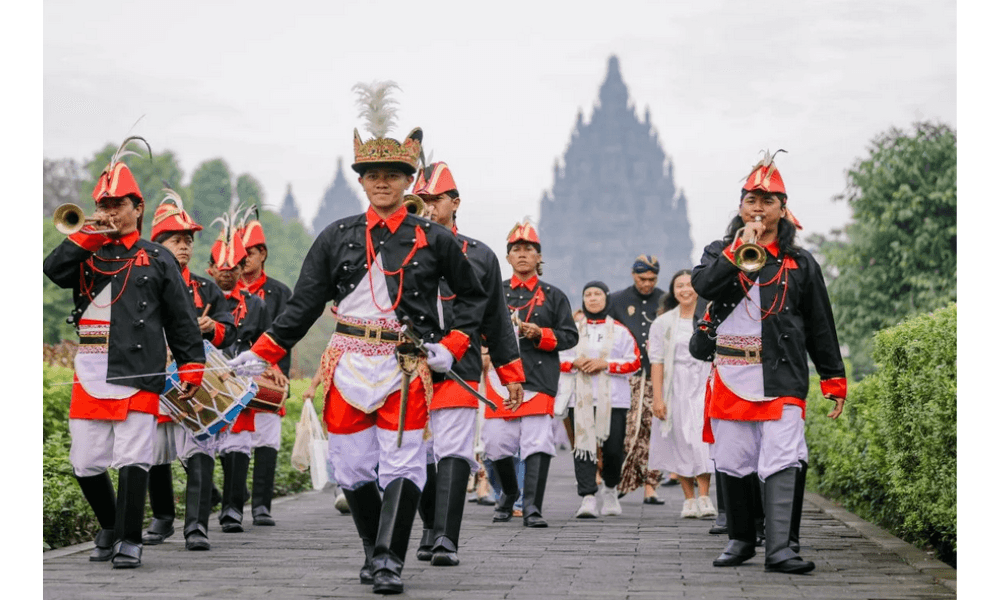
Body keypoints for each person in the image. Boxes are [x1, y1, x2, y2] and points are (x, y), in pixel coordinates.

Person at [228, 80, 490, 595]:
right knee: (351, 468)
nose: (382, 183)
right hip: (347, 361)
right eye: (373, 175)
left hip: (406, 362)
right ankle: (374, 550)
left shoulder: (434, 238)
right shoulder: (337, 236)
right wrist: (260, 354)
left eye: (392, 175)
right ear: (362, 181)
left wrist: (452, 346)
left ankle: (389, 559)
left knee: (405, 459)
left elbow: (475, 298)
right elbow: (302, 307)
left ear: (408, 180)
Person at [43, 137, 205, 568]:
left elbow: (182, 319)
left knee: (135, 455)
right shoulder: (85, 254)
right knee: (86, 461)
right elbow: (52, 270)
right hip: (90, 366)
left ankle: (129, 539)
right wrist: (88, 234)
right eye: (105, 204)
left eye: (118, 204)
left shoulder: (157, 257)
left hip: (138, 366)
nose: (111, 211)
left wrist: (191, 365)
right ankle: (112, 524)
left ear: (138, 207)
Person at [691, 150, 847, 574]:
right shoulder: (718, 250)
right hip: (730, 374)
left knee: (783, 456)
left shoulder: (800, 261)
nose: (758, 208)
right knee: (734, 459)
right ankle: (741, 539)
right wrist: (740, 249)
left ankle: (781, 549)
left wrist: (833, 378)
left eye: (767, 201)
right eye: (750, 201)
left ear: (783, 208)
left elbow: (820, 324)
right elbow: (702, 285)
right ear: (740, 206)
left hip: (782, 373)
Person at [411, 161, 525, 566]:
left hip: (460, 363)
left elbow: (495, 317)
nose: (425, 206)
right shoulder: (396, 249)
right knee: (418, 454)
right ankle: (428, 526)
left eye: (433, 199)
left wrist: (509, 373)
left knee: (454, 449)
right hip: (408, 365)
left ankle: (446, 538)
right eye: (419, 199)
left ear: (454, 202)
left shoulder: (479, 256)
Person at [142, 188, 237, 551]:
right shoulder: (142, 281)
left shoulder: (206, 289)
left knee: (199, 450)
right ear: (158, 243)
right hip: (154, 375)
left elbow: (229, 328)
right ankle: (163, 517)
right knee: (152, 452)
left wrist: (213, 327)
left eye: (188, 241)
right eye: (176, 240)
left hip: (196, 378)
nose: (184, 247)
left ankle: (196, 526)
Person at [481, 220, 579, 528]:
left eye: (529, 250)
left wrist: (540, 334)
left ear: (539, 258)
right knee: (496, 445)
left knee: (537, 442)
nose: (522, 255)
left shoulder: (554, 295)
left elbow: (569, 336)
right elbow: (478, 330)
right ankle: (509, 494)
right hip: (500, 380)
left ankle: (533, 507)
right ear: (508, 257)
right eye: (516, 250)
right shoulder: (493, 292)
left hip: (539, 378)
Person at [206, 213, 273, 536]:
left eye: (233, 269)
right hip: (205, 377)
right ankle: (214, 497)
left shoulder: (255, 304)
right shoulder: (200, 296)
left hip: (240, 375)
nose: (227, 275)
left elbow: (265, 342)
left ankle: (232, 509)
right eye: (221, 269)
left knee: (238, 443)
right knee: (195, 445)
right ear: (210, 270)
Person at [559, 282, 641, 518]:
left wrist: (606, 364)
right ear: (583, 300)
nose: (592, 298)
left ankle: (611, 490)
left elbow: (634, 361)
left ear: (606, 298)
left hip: (614, 399)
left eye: (597, 294)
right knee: (583, 448)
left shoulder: (620, 331)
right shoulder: (572, 329)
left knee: (613, 448)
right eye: (588, 294)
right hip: (580, 399)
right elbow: (558, 358)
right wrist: (575, 362)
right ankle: (587, 496)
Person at [237, 208, 294, 527]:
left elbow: (285, 334)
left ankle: (261, 505)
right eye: (240, 253)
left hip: (269, 373)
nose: (244, 259)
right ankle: (233, 498)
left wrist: (274, 366)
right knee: (231, 440)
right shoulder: (226, 290)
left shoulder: (280, 292)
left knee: (266, 439)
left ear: (263, 254)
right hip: (234, 372)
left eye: (250, 252)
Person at [647, 269, 716, 519]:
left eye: (689, 284)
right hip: (675, 387)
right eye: (679, 286)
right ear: (673, 291)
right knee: (680, 440)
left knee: (702, 440)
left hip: (704, 384)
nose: (685, 290)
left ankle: (705, 495)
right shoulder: (663, 323)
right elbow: (656, 362)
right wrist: (658, 398)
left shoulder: (712, 317)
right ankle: (689, 498)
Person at [609, 256, 676, 504]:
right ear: (632, 275)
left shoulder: (666, 301)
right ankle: (624, 478)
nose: (647, 284)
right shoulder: (616, 301)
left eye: (652, 279)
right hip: (626, 376)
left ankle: (650, 484)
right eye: (641, 279)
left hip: (657, 375)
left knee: (653, 427)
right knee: (628, 429)